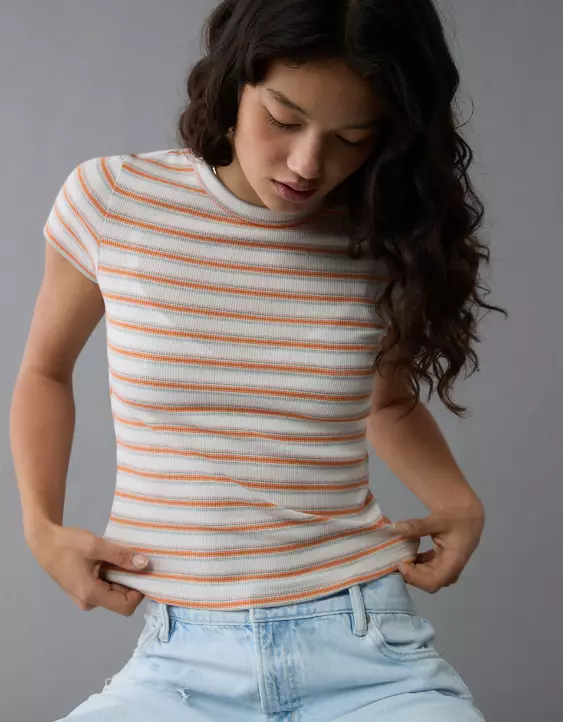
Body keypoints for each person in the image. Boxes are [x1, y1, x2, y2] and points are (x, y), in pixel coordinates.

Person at [10, 0, 504, 719]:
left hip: (367, 649)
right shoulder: (112, 201)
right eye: (283, 119)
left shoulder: (379, 242)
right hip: (182, 662)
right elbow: (44, 372)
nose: (307, 165)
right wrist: (41, 527)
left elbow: (388, 404)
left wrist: (459, 501)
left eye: (351, 138)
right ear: (234, 80)